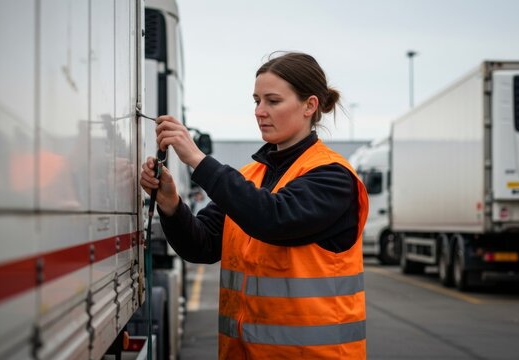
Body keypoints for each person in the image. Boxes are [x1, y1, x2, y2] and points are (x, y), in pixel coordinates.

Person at [140, 52, 369, 359]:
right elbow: (202, 245)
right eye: (256, 100)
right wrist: (171, 205)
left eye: (272, 101)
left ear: (309, 106)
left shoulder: (332, 176)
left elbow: (274, 219)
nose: (260, 111)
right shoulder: (251, 177)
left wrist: (197, 160)